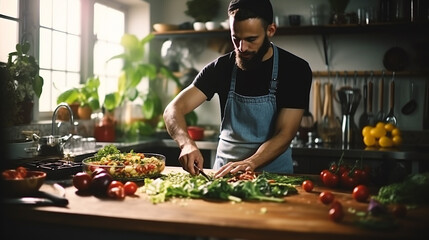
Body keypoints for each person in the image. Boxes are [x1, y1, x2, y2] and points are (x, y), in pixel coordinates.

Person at [163, 0, 312, 178]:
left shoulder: (295, 70)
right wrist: (186, 143)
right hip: (223, 177)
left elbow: (284, 133)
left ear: (270, 30)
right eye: (236, 38)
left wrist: (250, 163)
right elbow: (173, 109)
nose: (242, 48)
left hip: (274, 178)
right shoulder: (220, 68)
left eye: (251, 39)